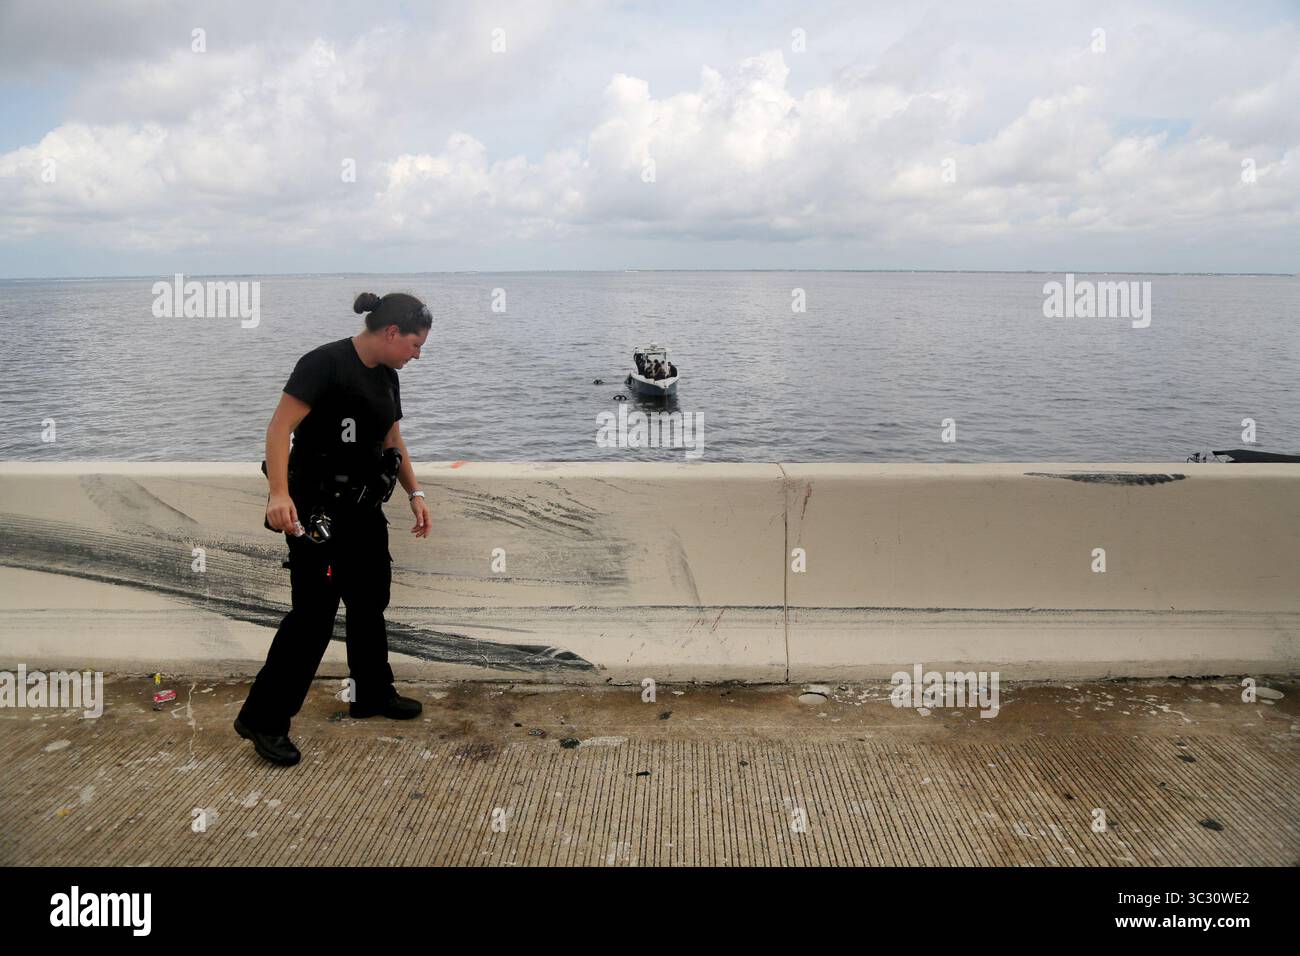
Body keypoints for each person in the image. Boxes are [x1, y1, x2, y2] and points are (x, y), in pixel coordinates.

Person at [234, 291, 433, 766]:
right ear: (390, 333)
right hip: (316, 515)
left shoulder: (387, 374)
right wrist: (278, 494)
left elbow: (392, 439)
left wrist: (415, 492)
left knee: (370, 602)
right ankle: (263, 719)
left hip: (365, 512)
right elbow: (279, 429)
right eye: (415, 344)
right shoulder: (323, 364)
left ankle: (372, 695)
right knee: (312, 619)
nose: (417, 355)